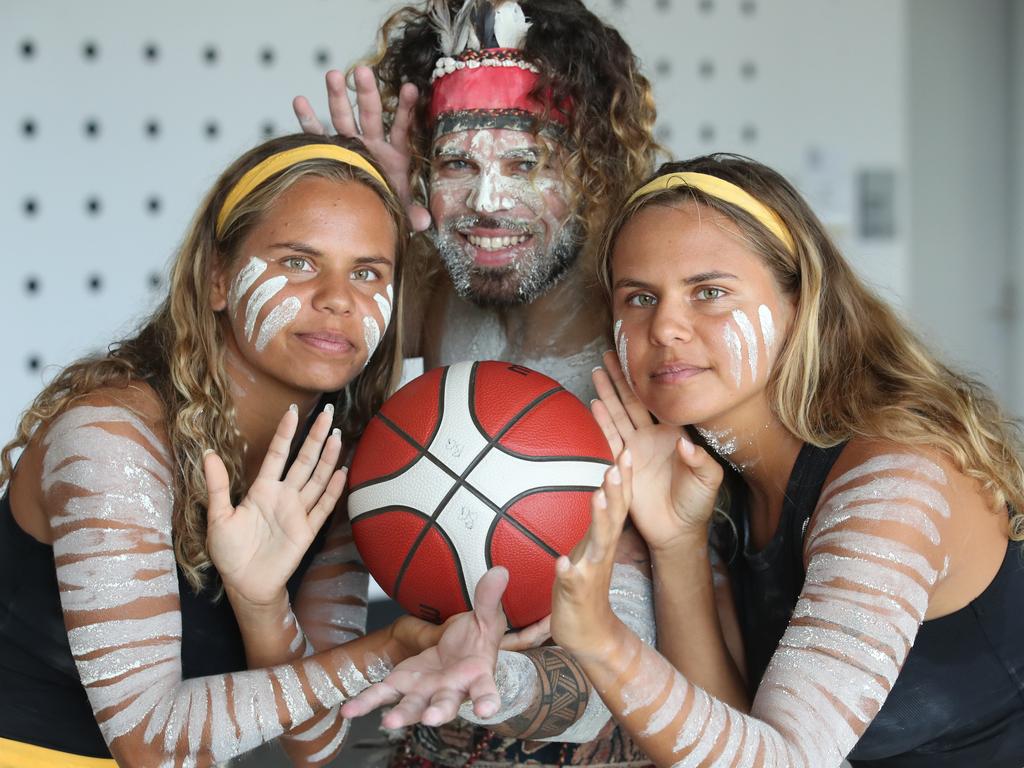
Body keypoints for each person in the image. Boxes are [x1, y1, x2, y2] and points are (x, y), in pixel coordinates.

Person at [544, 155, 1024, 766]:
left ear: (799, 304)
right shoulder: (712, 478)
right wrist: (677, 543)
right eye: (639, 297)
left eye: (709, 292)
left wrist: (601, 641)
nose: (665, 326)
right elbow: (730, 728)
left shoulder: (895, 480)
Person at [0, 132, 457, 767]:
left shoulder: (337, 460)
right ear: (218, 278)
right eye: (298, 261)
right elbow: (147, 746)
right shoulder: (111, 440)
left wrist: (263, 605)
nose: (338, 298)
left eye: (367, 272)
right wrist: (390, 649)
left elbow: (316, 744)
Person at [294, 2, 664, 765]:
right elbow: (337, 393)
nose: (488, 203)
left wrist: (506, 681)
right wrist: (377, 217)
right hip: (431, 728)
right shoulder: (438, 290)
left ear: (593, 171)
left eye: (527, 164)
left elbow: (629, 645)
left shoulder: (647, 335)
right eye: (459, 164)